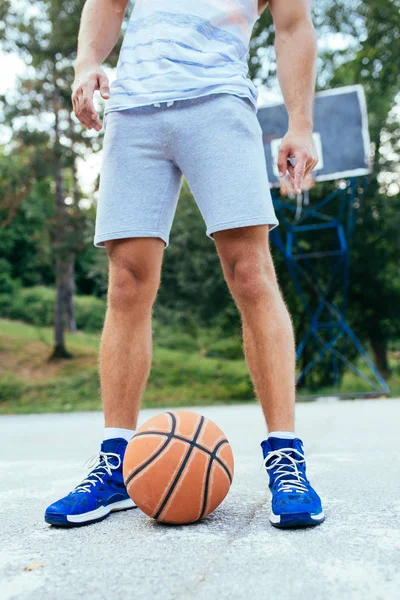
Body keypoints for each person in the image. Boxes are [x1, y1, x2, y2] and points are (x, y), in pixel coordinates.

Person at [45, 0, 324, 529]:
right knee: (126, 283)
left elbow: (292, 26)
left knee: (250, 272)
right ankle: (116, 463)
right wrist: (86, 64)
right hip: (133, 109)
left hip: (218, 101)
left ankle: (286, 458)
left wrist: (300, 124)